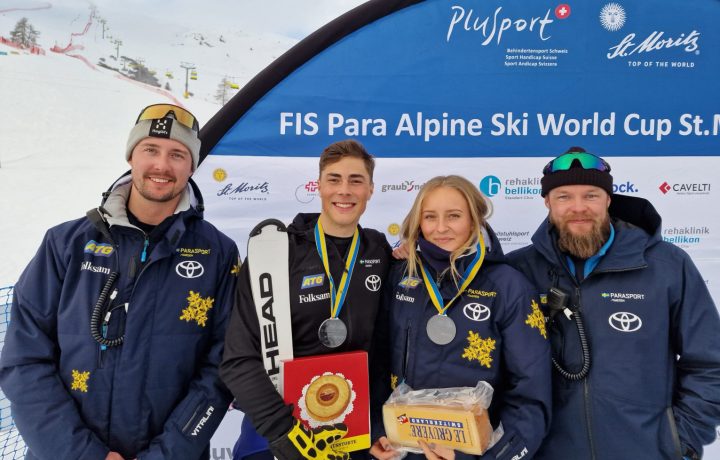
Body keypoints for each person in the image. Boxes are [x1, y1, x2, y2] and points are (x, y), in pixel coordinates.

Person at [0, 104, 240, 460]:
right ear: (131, 156)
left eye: (177, 154)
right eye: (151, 150)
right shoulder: (65, 244)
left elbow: (221, 368)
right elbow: (24, 360)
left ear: (192, 165)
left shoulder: (218, 253)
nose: (162, 165)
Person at [506, 147, 720, 460]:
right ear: (547, 203)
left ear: (608, 200)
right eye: (564, 196)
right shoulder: (518, 271)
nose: (579, 208)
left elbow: (709, 363)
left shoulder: (666, 265)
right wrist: (408, 255)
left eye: (591, 195)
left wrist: (681, 441)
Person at [220, 139, 392, 460]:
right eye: (334, 179)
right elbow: (238, 359)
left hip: (353, 435)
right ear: (318, 185)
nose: (345, 190)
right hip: (280, 435)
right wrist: (286, 436)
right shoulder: (275, 253)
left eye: (356, 180)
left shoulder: (378, 251)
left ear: (370, 189)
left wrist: (378, 426)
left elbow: (384, 348)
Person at [370, 175, 551, 460]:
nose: (440, 228)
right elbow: (378, 361)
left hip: (470, 453)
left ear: (474, 219)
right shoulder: (400, 277)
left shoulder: (507, 286)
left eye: (453, 216)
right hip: (401, 450)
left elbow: (531, 392)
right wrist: (377, 430)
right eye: (430, 217)